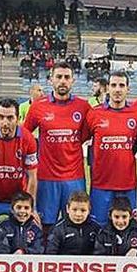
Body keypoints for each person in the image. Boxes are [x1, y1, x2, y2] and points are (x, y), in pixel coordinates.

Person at [23, 62, 91, 233]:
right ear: (50, 80)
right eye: (58, 77)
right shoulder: (38, 105)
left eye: (66, 77)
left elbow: (87, 135)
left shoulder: (83, 107)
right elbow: (24, 136)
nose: (62, 81)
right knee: (45, 226)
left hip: (74, 177)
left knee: (76, 224)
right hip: (46, 177)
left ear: (73, 81)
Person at [85, 71, 137, 225]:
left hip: (127, 184)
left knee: (127, 227)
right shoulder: (94, 113)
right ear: (107, 89)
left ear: (128, 89)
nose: (118, 89)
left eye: (122, 85)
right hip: (101, 184)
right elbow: (80, 139)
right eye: (114, 85)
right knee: (99, 228)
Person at [45, 191, 100, 255]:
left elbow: (100, 252)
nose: (78, 214)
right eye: (74, 210)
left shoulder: (96, 228)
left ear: (89, 210)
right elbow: (50, 253)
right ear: (67, 209)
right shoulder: (58, 229)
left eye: (83, 210)